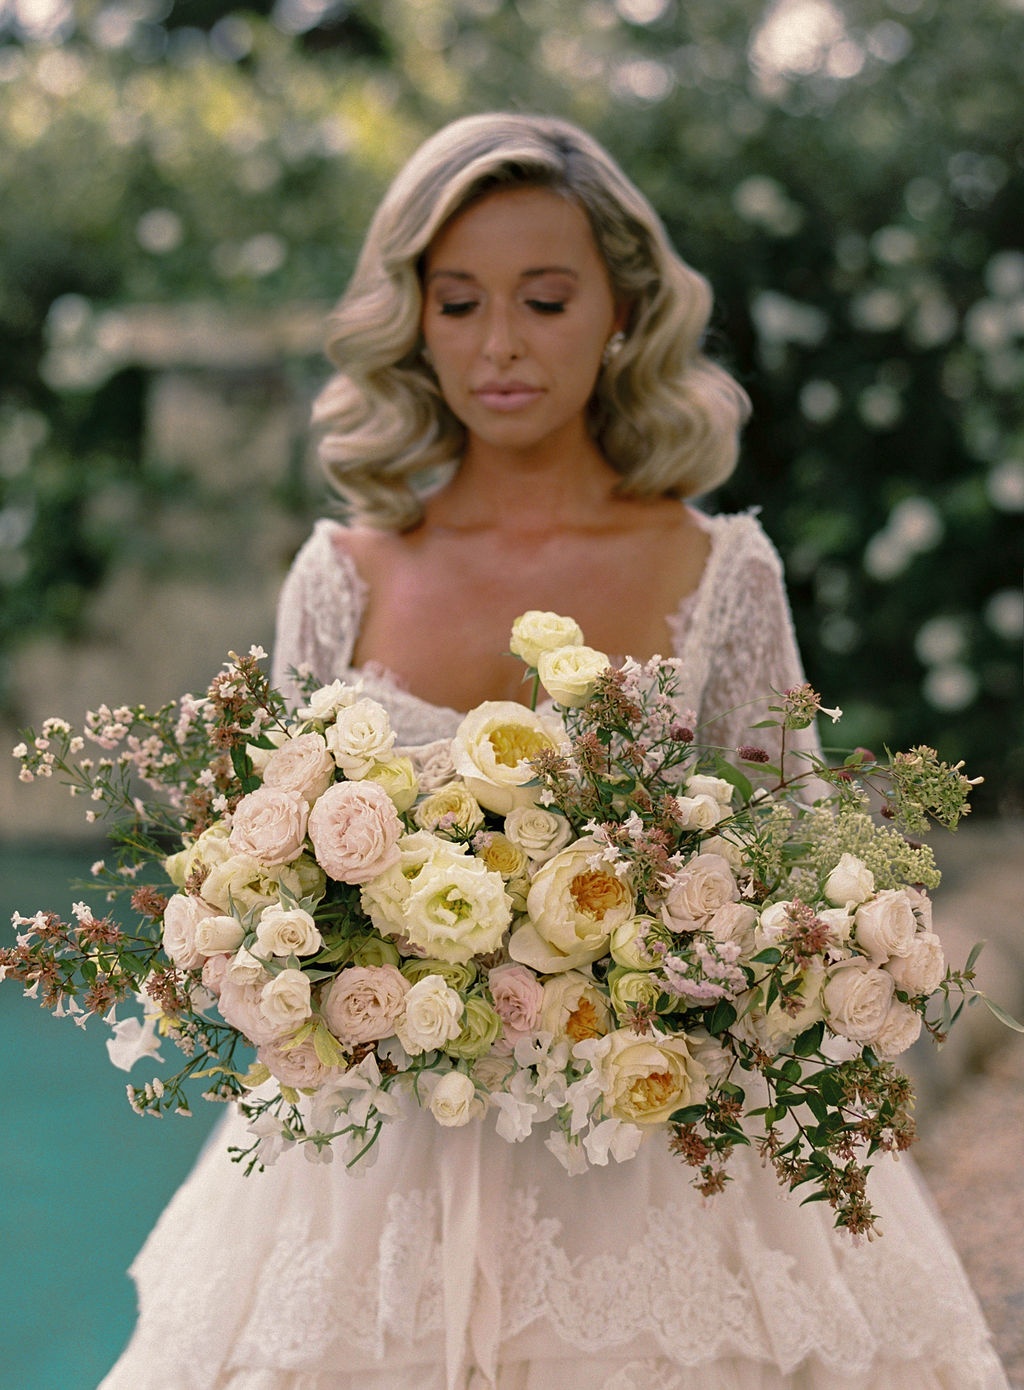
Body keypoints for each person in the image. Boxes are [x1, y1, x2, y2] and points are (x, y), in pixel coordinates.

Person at [101, 113, 1007, 1389]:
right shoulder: (340, 576)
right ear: (412, 318)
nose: (501, 345)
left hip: (653, 1169)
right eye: (458, 302)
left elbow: (793, 871)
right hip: (376, 1178)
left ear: (622, 309)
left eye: (543, 298)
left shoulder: (717, 569)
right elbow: (275, 888)